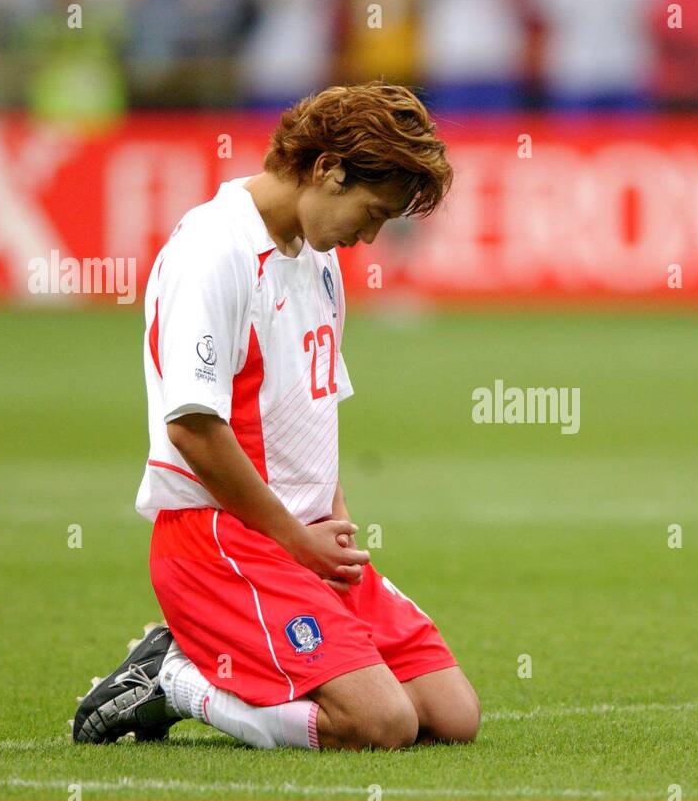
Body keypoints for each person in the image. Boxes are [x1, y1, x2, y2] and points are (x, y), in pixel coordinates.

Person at [71, 81, 478, 752]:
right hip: (222, 542)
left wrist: (332, 529)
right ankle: (175, 679)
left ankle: (269, 663)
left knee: (453, 715)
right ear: (327, 169)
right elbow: (192, 427)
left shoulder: (317, 258)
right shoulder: (214, 251)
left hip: (301, 540)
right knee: (382, 724)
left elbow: (315, 410)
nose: (370, 237)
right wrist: (295, 537)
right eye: (371, 213)